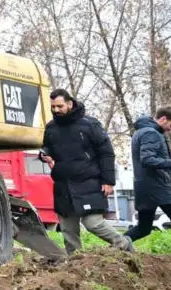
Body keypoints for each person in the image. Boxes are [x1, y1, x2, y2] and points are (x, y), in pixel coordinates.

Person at [41, 89, 134, 255]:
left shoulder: (90, 124)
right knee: (68, 228)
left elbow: (106, 152)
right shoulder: (51, 127)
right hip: (63, 185)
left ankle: (123, 244)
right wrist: (45, 154)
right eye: (53, 107)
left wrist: (108, 181)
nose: (56, 110)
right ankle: (75, 262)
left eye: (60, 106)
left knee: (93, 223)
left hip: (89, 182)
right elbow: (47, 146)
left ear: (70, 104)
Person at [124, 106, 171, 252]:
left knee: (143, 228)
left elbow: (157, 160)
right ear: (163, 119)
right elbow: (148, 160)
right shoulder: (151, 133)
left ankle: (115, 247)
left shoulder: (141, 132)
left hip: (144, 187)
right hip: (158, 187)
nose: (170, 130)